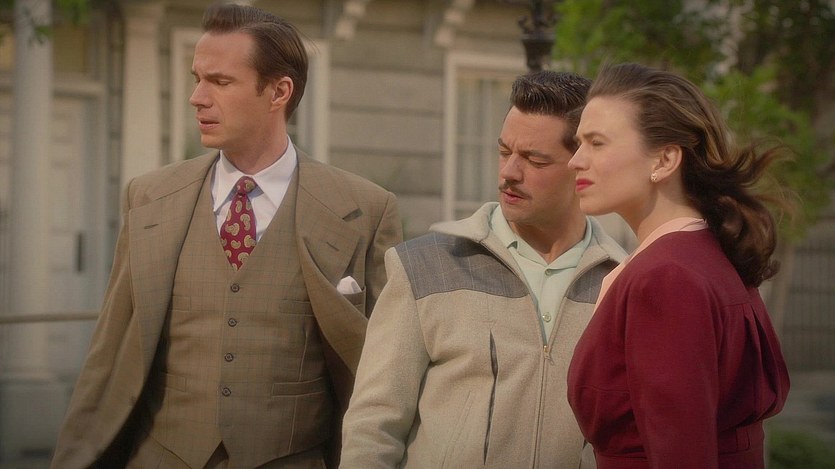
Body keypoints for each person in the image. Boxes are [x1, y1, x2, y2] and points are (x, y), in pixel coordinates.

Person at [50, 3, 402, 468]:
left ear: (278, 92)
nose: (196, 97)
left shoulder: (364, 209)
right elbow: (109, 352)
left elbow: (386, 374)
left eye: (219, 82)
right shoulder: (149, 197)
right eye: (197, 79)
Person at [339, 70, 626, 468]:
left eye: (535, 160)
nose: (509, 173)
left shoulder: (623, 284)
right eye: (505, 152)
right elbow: (372, 428)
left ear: (582, 167)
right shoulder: (424, 267)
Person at [566, 62, 791, 468]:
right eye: (578, 143)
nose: (575, 161)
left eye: (596, 143)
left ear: (665, 159)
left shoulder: (667, 277)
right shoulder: (702, 255)